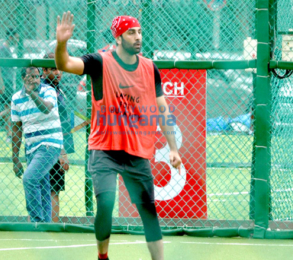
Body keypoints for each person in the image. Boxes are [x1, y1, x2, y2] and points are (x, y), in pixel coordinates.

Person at [55, 12, 182, 260]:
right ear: (118, 37)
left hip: (136, 152)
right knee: (105, 204)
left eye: (139, 31)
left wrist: (173, 148)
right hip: (105, 149)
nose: (138, 37)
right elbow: (64, 65)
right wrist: (62, 43)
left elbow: (162, 108)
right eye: (131, 32)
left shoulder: (149, 68)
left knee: (148, 211)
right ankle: (103, 255)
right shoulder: (99, 62)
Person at [11, 67, 63, 223]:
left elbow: (46, 108)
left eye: (36, 76)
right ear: (22, 79)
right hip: (31, 147)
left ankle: (36, 221)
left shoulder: (48, 91)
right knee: (42, 186)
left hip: (49, 144)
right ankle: (46, 224)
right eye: (30, 77)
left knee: (30, 178)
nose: (34, 80)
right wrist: (15, 158)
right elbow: (16, 128)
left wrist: (32, 93)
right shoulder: (16, 98)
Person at [42, 53, 74, 222]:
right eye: (53, 68)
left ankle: (46, 225)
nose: (58, 72)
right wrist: (62, 151)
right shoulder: (47, 91)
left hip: (46, 146)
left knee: (49, 188)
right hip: (51, 147)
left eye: (60, 68)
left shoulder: (57, 89)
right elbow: (55, 123)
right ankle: (51, 226)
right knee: (51, 189)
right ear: (44, 70)